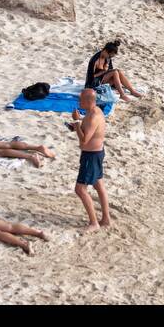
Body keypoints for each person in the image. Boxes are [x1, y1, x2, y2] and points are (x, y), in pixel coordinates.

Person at [67, 88, 110, 232]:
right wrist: (76, 126)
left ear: (88, 101)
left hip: (91, 156)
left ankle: (94, 223)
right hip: (97, 153)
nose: (79, 102)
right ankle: (106, 219)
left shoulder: (93, 117)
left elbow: (84, 140)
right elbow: (87, 131)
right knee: (99, 185)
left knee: (80, 189)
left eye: (81, 100)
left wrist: (77, 121)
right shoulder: (94, 111)